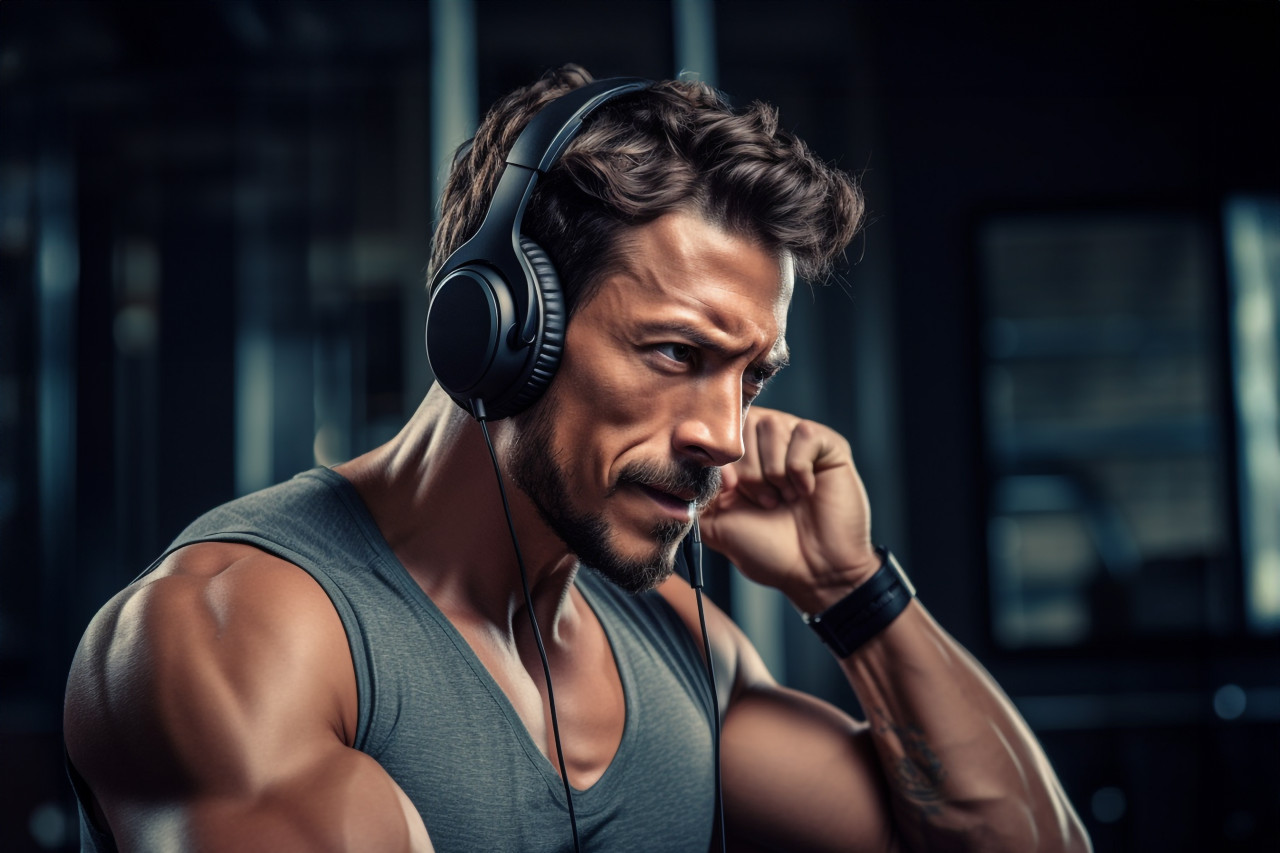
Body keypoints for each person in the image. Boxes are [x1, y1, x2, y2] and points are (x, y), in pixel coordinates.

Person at [64, 66, 1091, 852]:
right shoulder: (238, 632)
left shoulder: (674, 639)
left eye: (750, 378)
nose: (724, 436)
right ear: (503, 327)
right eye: (676, 353)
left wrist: (850, 587)